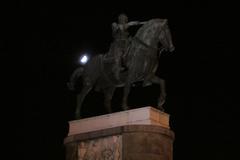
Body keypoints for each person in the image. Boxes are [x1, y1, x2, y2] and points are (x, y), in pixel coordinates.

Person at [108, 13, 146, 80]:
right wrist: (130, 24)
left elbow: (128, 34)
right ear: (120, 19)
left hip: (126, 44)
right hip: (118, 44)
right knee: (119, 54)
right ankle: (116, 71)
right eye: (123, 19)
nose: (125, 20)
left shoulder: (126, 27)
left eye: (125, 19)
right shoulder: (114, 24)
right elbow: (119, 29)